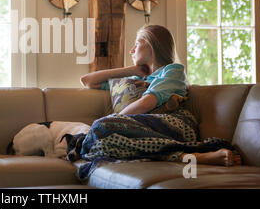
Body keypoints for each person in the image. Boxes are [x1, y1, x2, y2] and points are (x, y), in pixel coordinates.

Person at [80, 24, 241, 167]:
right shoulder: (136, 79)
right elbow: (87, 81)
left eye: (137, 43)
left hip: (175, 125)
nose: (132, 50)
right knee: (99, 145)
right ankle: (190, 156)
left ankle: (190, 153)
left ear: (152, 44)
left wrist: (114, 121)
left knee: (101, 129)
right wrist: (131, 70)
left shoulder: (172, 70)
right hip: (142, 130)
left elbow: (146, 104)